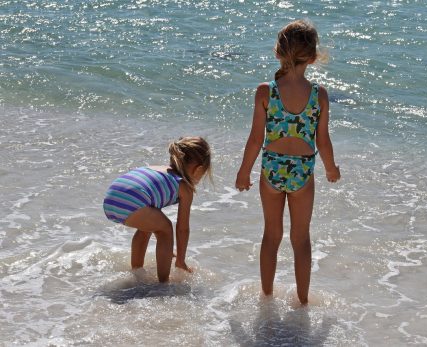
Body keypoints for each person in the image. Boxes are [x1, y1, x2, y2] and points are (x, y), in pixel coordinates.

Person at [235, 19, 341, 305]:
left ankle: (266, 297)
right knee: (301, 239)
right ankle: (303, 301)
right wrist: (331, 168)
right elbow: (323, 141)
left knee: (271, 236)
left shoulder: (266, 91)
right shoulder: (319, 95)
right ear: (314, 57)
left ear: (278, 52)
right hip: (302, 173)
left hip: (272, 169)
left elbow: (256, 139)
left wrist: (244, 171)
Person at [103, 136, 211, 282]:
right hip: (133, 201)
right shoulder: (185, 187)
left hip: (111, 198)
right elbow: (182, 228)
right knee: (165, 229)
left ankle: (136, 270)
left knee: (146, 228)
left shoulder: (160, 169)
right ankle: (163, 282)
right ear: (198, 169)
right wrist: (180, 260)